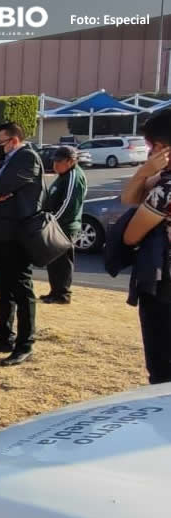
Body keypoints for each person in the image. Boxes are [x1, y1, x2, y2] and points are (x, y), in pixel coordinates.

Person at [0, 122, 43, 367]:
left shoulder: (27, 158)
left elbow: (2, 186)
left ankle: (25, 343)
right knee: (3, 288)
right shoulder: (6, 161)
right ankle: (4, 335)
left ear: (13, 140)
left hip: (17, 234)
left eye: (0, 143)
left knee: (22, 289)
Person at [121, 108, 171, 384]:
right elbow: (129, 196)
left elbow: (131, 235)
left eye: (150, 147)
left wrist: (144, 172)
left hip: (163, 285)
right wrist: (145, 173)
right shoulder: (160, 181)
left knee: (162, 371)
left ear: (161, 147)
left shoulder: (166, 190)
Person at [41, 146, 87, 305]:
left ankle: (63, 294)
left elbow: (68, 205)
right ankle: (55, 291)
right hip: (55, 225)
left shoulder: (73, 176)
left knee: (63, 262)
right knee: (54, 261)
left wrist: (50, 222)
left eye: (59, 161)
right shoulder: (63, 176)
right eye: (54, 161)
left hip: (64, 227)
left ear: (70, 161)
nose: (55, 165)